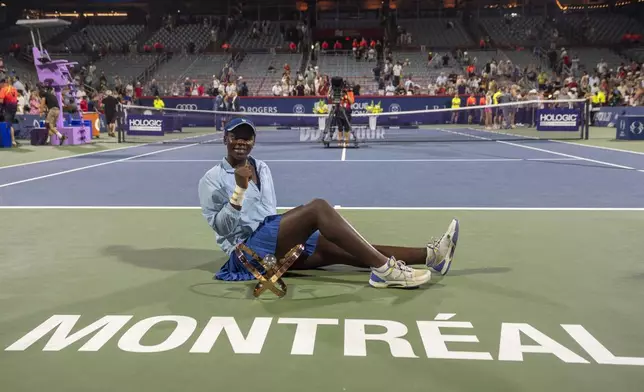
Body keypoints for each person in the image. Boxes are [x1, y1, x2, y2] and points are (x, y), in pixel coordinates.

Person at [198, 118, 459, 288]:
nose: (241, 142)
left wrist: (291, 226)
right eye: (235, 136)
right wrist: (238, 193)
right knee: (318, 208)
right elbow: (221, 229)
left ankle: (431, 256)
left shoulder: (262, 167)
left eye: (247, 137)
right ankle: (385, 271)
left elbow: (266, 214)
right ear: (225, 139)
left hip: (272, 242)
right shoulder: (211, 179)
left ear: (254, 141)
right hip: (247, 254)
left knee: (343, 247)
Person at [0, 78, 19, 147]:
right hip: (14, 108)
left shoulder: (3, 89)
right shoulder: (14, 89)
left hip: (7, 108)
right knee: (9, 123)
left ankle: (12, 141)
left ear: (4, 83)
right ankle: (13, 140)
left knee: (8, 124)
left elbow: (1, 101)